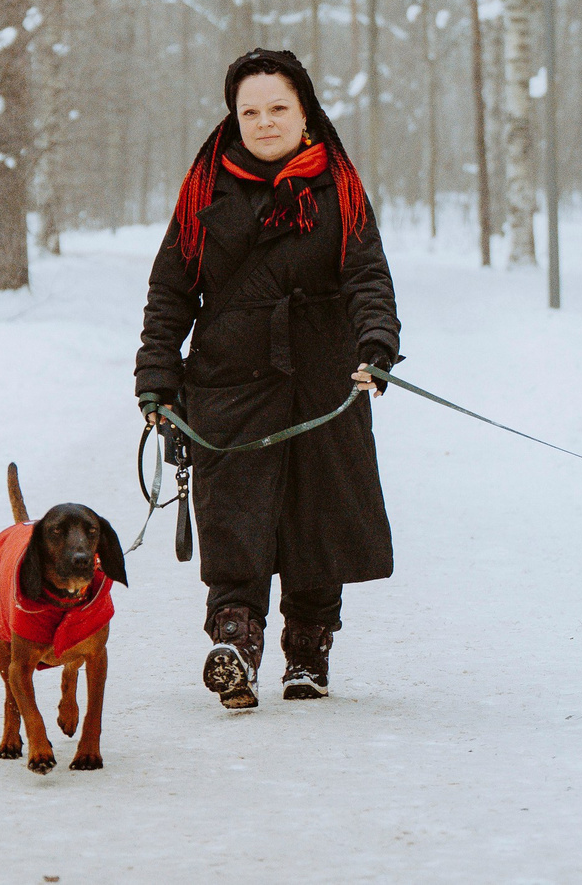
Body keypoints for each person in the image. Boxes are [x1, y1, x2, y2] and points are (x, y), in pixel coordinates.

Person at [135, 48, 400, 708]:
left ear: (305, 113)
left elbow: (367, 275)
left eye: (278, 107)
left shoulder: (338, 186)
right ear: (234, 115)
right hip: (229, 379)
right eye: (250, 110)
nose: (264, 121)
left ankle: (307, 656)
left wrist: (376, 346)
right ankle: (235, 646)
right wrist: (157, 382)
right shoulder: (204, 187)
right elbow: (171, 292)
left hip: (323, 380)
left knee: (318, 519)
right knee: (235, 520)